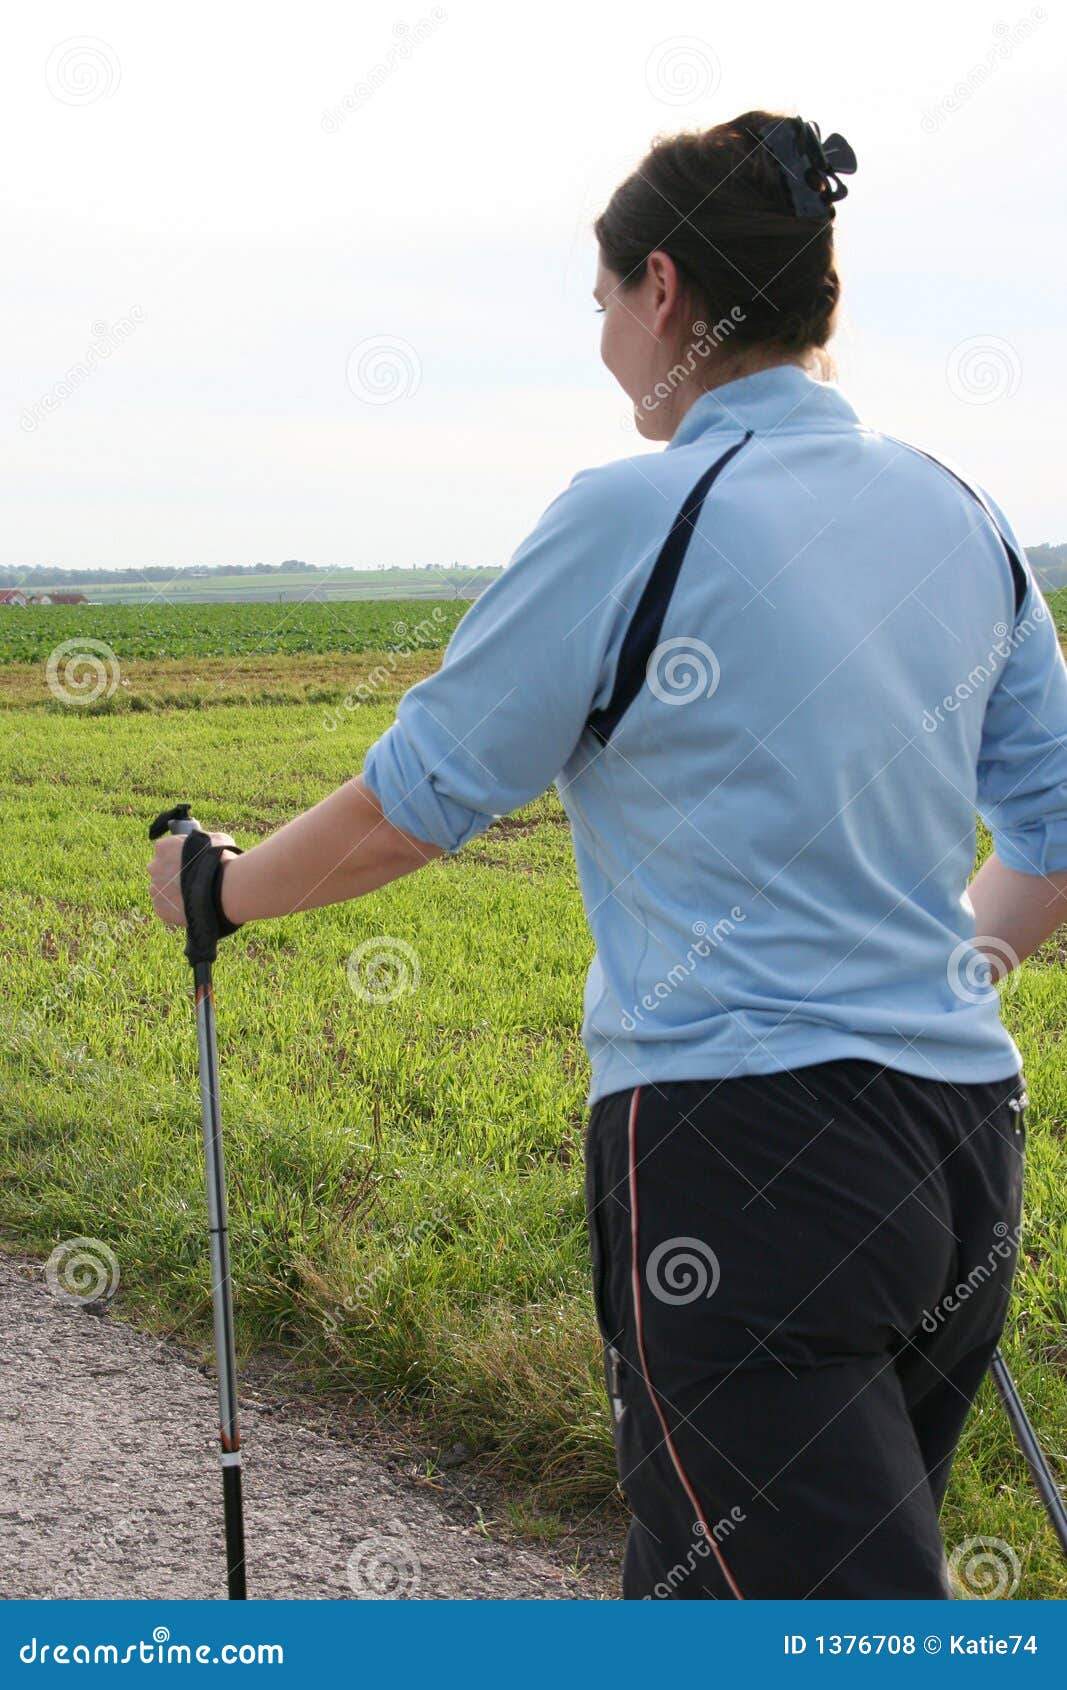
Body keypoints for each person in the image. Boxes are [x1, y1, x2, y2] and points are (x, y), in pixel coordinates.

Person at [150, 111, 1067, 1599]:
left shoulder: (634, 516)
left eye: (599, 306)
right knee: (760, 1591)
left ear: (663, 290)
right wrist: (926, 984)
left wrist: (221, 886)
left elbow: (414, 801)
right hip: (961, 1149)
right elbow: (1059, 837)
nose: (602, 345)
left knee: (793, 1618)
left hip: (742, 1161)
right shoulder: (962, 512)